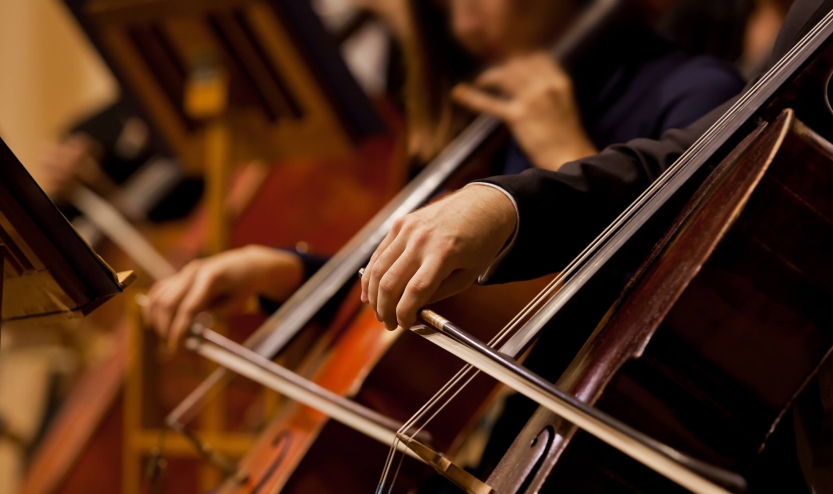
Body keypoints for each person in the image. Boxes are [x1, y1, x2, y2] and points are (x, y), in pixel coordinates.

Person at [359, 1, 833, 494]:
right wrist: (509, 205)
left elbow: (704, 287)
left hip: (684, 480)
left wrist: (560, 152)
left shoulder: (689, 85)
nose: (462, 24)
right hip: (535, 452)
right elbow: (717, 158)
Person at [143, 0, 743, 351]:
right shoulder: (491, 108)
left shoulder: (699, 91)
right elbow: (470, 305)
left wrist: (564, 151)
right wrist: (293, 273)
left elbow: (693, 322)